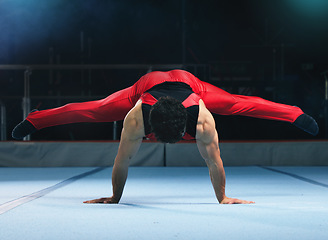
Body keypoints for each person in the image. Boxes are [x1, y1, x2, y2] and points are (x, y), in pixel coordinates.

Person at [12, 69, 318, 204]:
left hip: (191, 86)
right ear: (151, 129)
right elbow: (122, 162)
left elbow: (215, 163)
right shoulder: (135, 119)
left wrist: (222, 197)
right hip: (144, 88)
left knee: (239, 104)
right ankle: (34, 121)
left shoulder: (203, 121)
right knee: (96, 109)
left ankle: (295, 113)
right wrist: (115, 197)